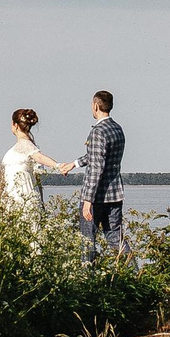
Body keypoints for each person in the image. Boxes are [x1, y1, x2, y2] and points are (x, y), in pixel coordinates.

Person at [76, 90, 125, 256]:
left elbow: (96, 167)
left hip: (96, 196)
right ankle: (132, 271)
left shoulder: (98, 131)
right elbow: (98, 156)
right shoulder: (117, 129)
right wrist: (74, 164)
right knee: (115, 237)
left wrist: (87, 200)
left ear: (95, 106)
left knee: (87, 239)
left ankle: (87, 277)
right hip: (115, 194)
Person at [1, 108, 71, 210]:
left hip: (23, 196)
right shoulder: (21, 145)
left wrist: (58, 165)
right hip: (13, 195)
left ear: (15, 125)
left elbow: (39, 157)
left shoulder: (25, 144)